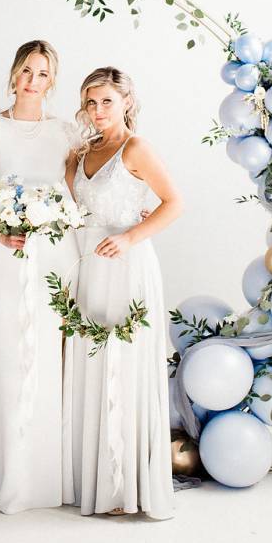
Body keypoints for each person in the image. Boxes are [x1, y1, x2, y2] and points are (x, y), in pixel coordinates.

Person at [63, 66, 183, 519]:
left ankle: (128, 484)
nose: (97, 111)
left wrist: (130, 238)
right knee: (93, 366)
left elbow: (174, 203)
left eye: (106, 101)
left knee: (126, 368)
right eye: (90, 102)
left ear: (127, 101)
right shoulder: (80, 153)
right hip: (89, 268)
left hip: (128, 266)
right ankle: (96, 481)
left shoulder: (137, 149)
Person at [0, 40, 80, 514]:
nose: (33, 80)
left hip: (55, 257)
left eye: (43, 73)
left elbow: (75, 203)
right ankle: (4, 471)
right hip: (4, 257)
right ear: (14, 74)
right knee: (7, 357)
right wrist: (0, 228)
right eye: (27, 71)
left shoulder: (68, 135)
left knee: (52, 360)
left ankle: (50, 477)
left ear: (53, 80)